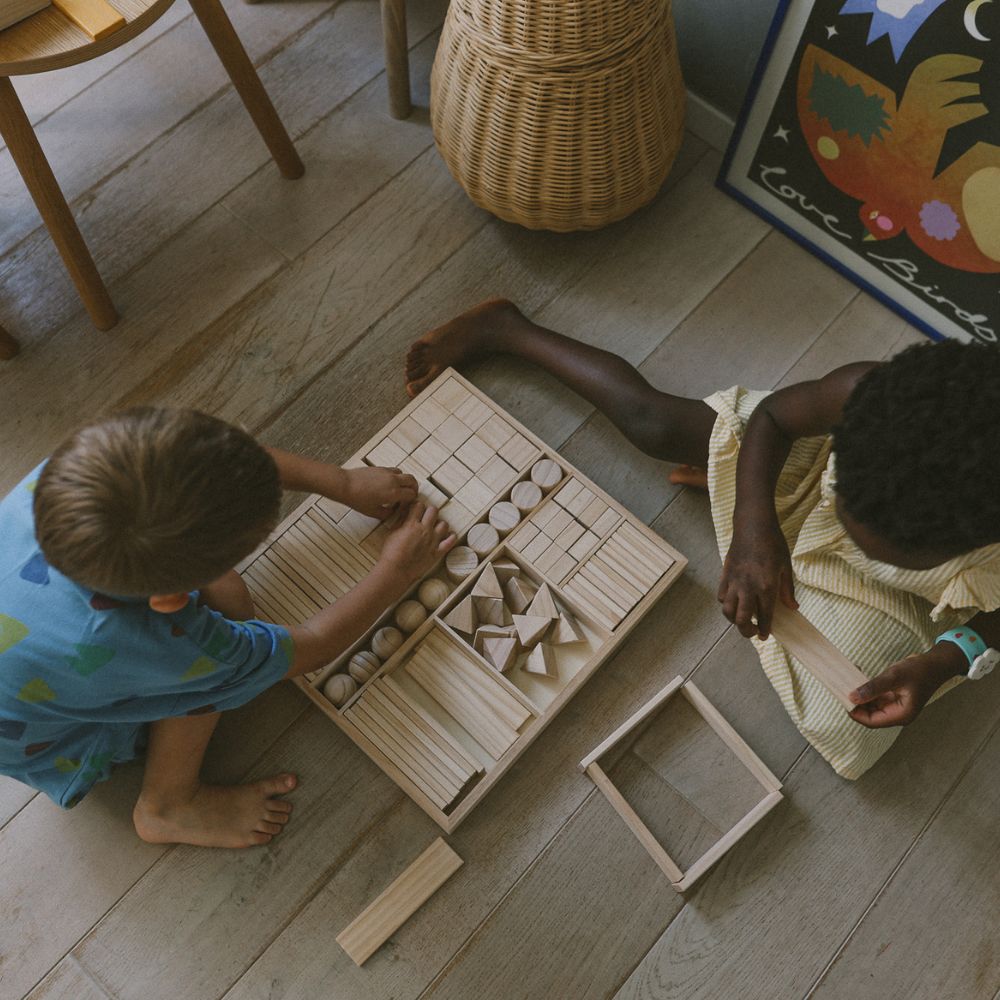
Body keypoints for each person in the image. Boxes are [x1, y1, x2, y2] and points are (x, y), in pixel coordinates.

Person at [404, 299, 1000, 778]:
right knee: (654, 422)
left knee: (847, 725)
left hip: (928, 593)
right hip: (809, 473)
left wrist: (946, 660)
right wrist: (752, 530)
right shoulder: (869, 394)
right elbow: (774, 419)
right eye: (854, 516)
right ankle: (508, 330)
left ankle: (729, 482)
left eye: (875, 542)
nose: (853, 531)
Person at [0, 408, 455, 847]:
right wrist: (397, 570)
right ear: (170, 600)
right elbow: (313, 646)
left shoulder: (74, 476)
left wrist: (344, 482)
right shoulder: (162, 643)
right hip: (49, 736)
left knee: (228, 593)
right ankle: (167, 805)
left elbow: (224, 463)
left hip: (24, 656)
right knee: (214, 655)